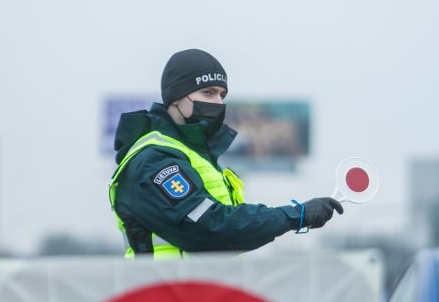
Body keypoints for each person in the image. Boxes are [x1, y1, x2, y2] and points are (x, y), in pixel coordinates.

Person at [108, 48, 343, 258]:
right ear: (176, 98)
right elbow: (213, 229)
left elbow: (229, 235)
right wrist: (295, 214)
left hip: (198, 297)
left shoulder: (195, 156)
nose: (218, 102)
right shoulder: (154, 159)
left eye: (222, 94)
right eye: (208, 93)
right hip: (164, 299)